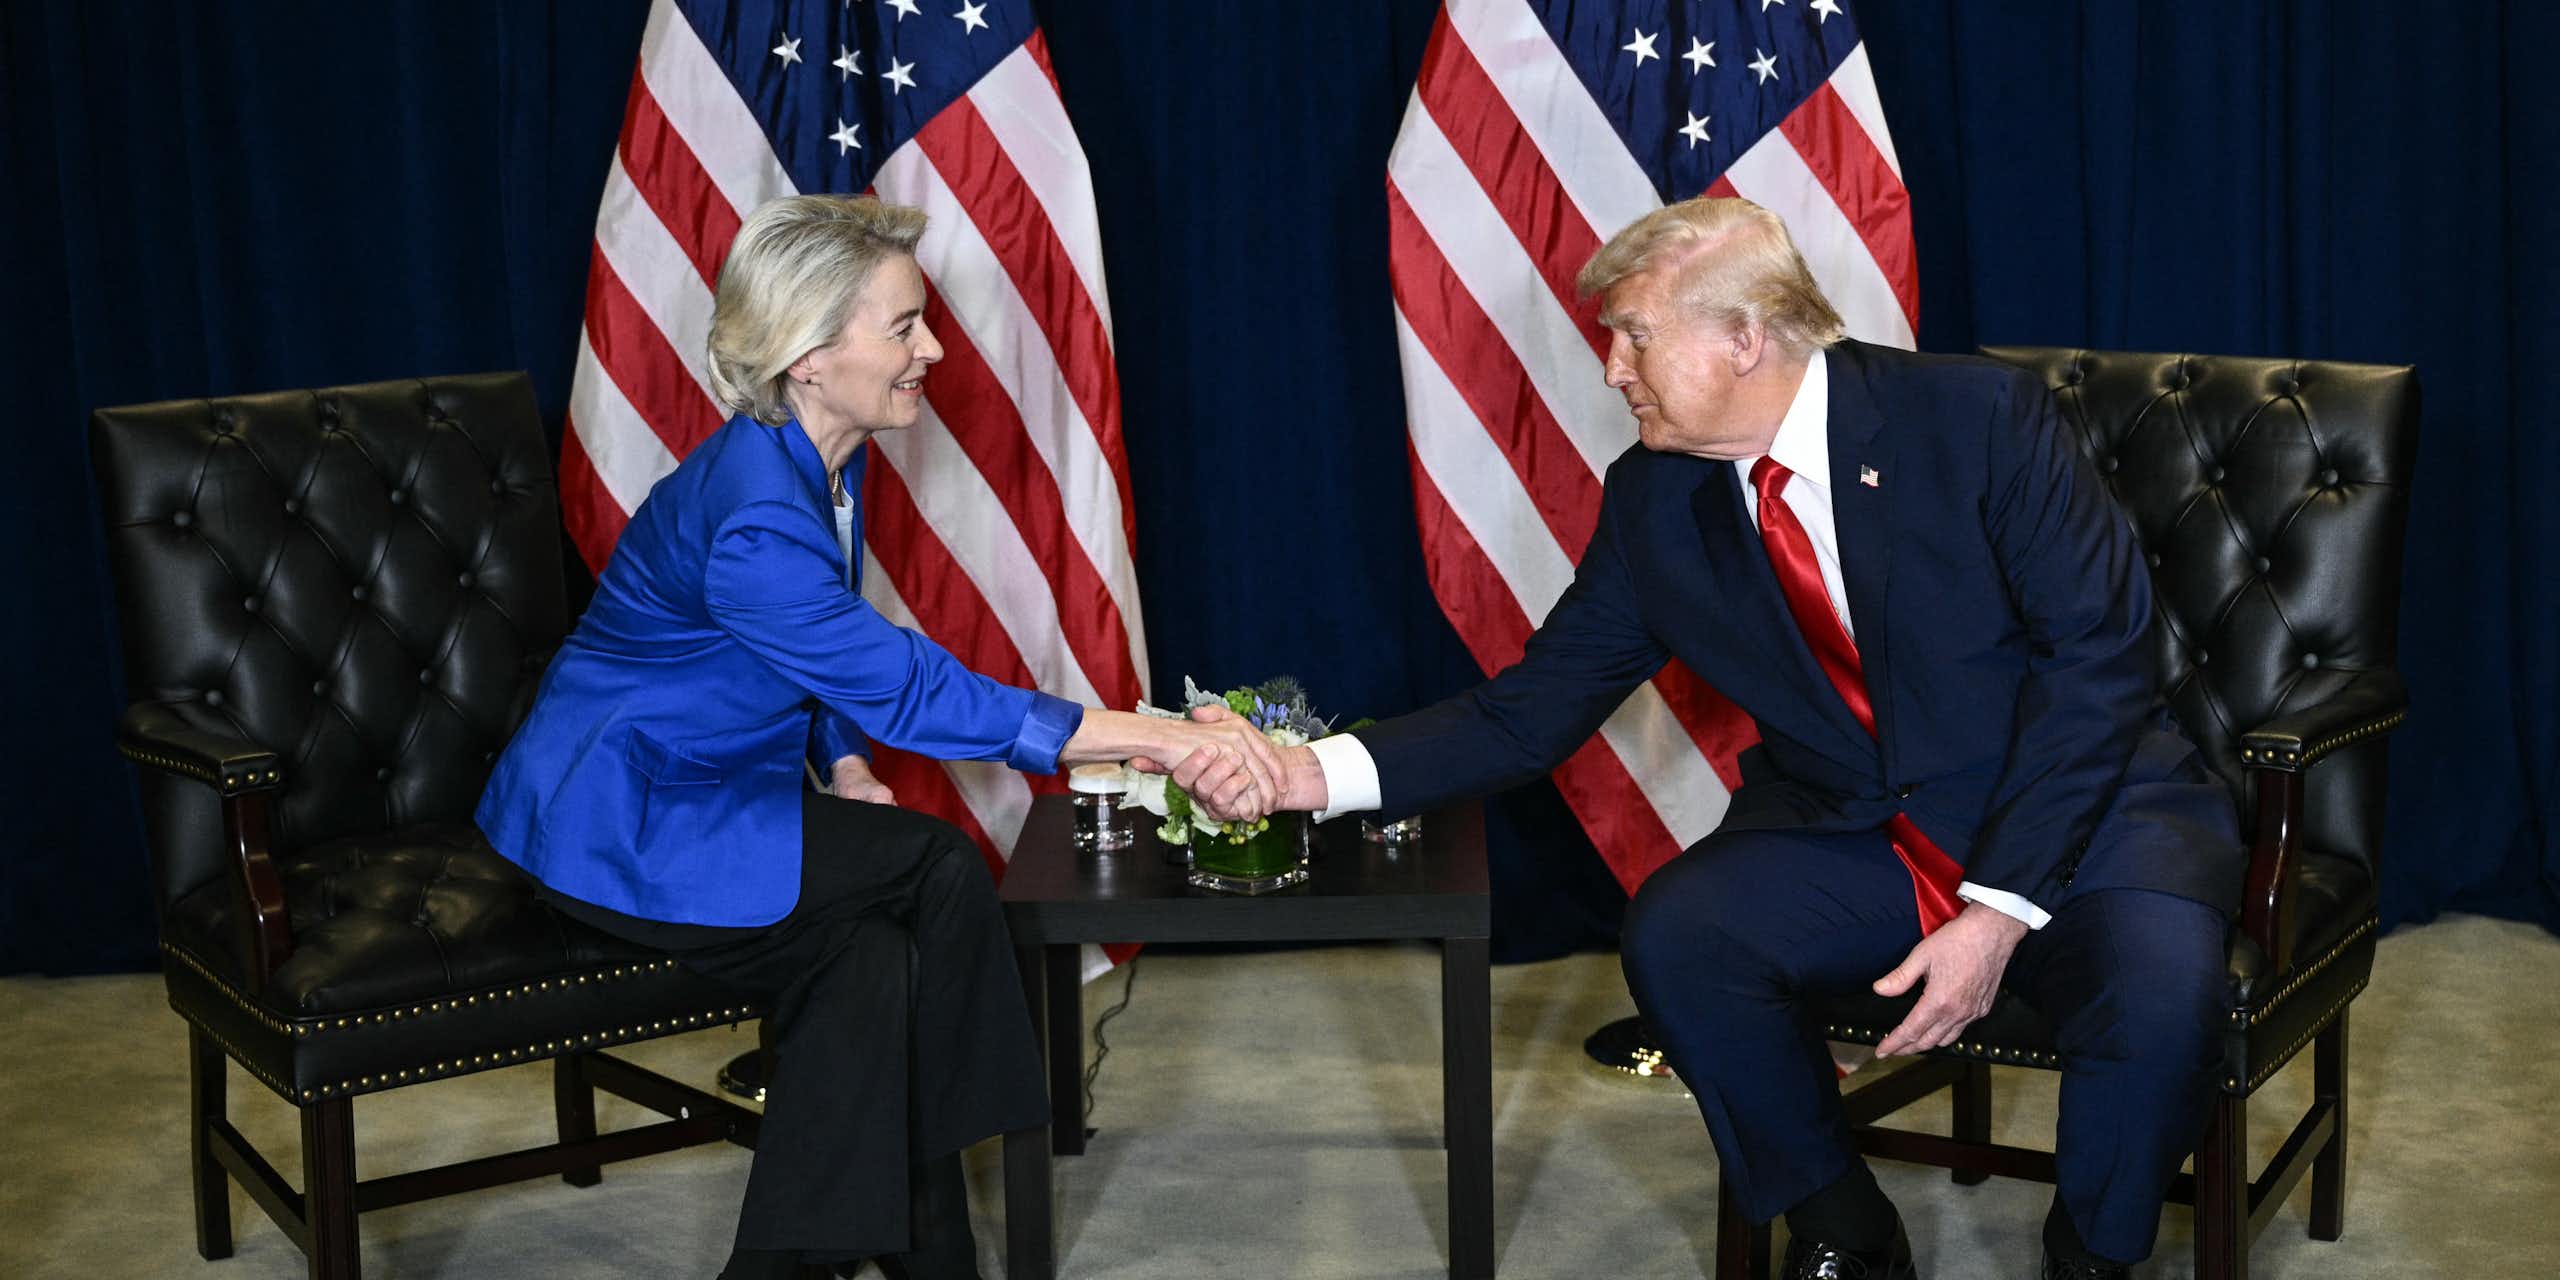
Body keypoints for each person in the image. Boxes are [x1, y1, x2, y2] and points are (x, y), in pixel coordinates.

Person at [1258, 197, 2240, 1279]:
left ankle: (2091, 1253)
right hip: (1864, 829)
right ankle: (1844, 1228)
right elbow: (1528, 709)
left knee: (2160, 992)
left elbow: (2096, 668)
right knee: (1683, 931)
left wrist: (1996, 913)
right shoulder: (1654, 497)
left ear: (1744, 334)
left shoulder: (1976, 419)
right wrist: (1304, 774)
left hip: (2082, 814)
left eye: (1633, 334)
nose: (1611, 369)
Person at [476, 194, 1279, 1280]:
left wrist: (846, 764)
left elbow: (822, 656)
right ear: (808, 356)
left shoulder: (811, 461)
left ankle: (816, 1262)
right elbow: (903, 683)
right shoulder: (759, 511)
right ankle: (992, 1133)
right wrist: (1151, 738)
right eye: (903, 327)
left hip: (702, 791)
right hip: (623, 819)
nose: (934, 348)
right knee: (940, 866)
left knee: (872, 960)